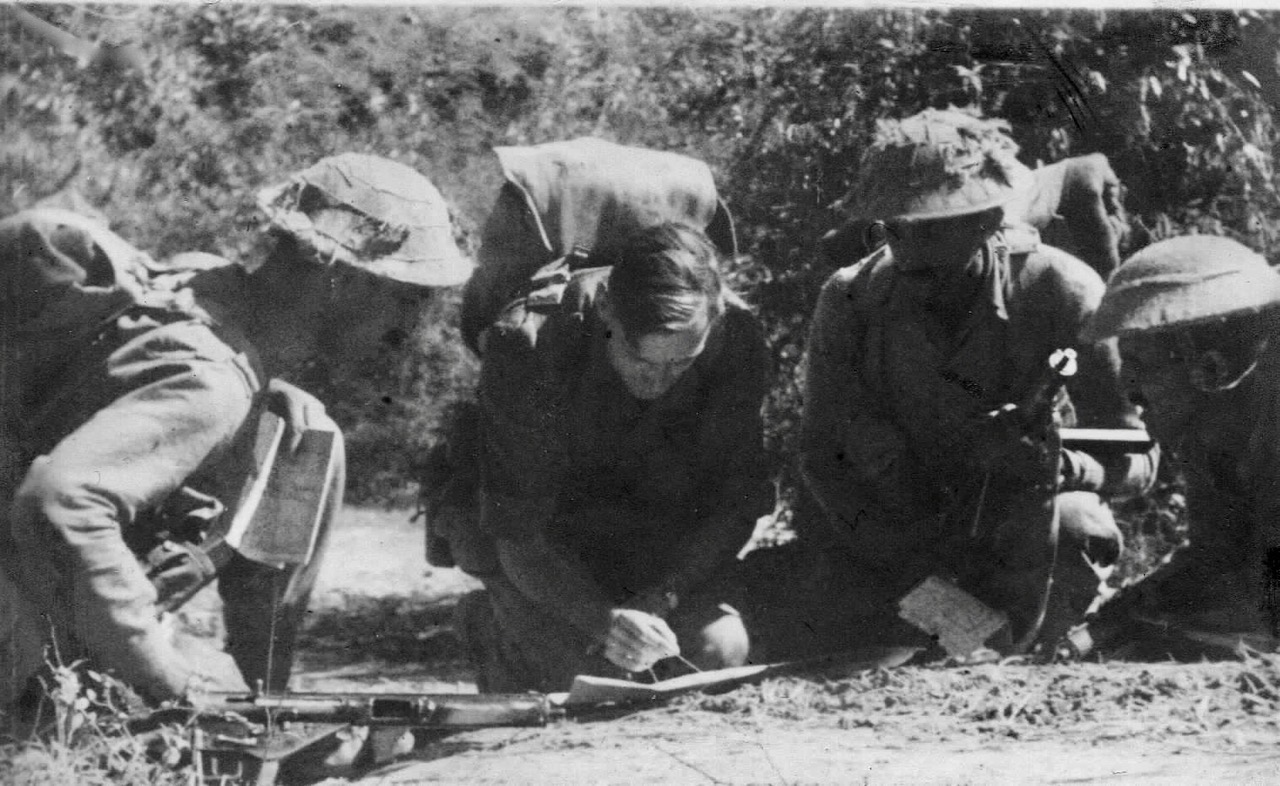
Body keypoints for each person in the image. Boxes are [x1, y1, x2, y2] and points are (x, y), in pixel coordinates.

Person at [0, 153, 471, 713]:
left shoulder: (200, 288)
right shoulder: (214, 382)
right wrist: (174, 685)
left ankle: (261, 703)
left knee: (308, 435)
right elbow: (63, 503)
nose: (408, 326)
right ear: (340, 281)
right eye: (406, 298)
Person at [797, 109, 1158, 657]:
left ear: (988, 221)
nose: (908, 249)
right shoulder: (851, 300)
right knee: (845, 617)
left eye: (933, 227)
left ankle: (1040, 651)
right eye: (894, 228)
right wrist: (914, 572)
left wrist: (1063, 467)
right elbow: (819, 456)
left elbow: (1139, 457)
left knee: (1078, 525)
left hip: (1021, 531)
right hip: (900, 535)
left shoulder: (1061, 291)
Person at [456, 221, 771, 692]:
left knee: (718, 654)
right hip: (551, 557)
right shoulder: (527, 342)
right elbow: (518, 534)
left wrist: (664, 596)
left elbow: (735, 505)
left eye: (682, 362)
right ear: (606, 307)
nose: (657, 381)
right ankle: (487, 623)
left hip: (662, 554)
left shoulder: (737, 337)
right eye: (639, 359)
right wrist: (603, 621)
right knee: (591, 682)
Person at [1082, 235, 1280, 657]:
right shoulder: (1210, 420)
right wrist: (1108, 623)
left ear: (1210, 368)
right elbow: (1215, 557)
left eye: (1141, 365)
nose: (1127, 386)